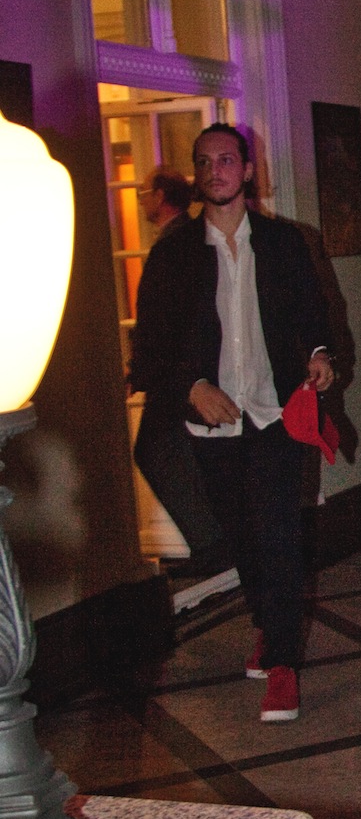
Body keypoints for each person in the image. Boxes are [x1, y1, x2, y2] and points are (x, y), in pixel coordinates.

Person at [130, 124, 334, 722]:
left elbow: (312, 315)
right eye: (204, 162)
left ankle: (282, 665)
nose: (214, 171)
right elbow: (150, 348)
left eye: (225, 160)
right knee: (242, 536)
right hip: (211, 427)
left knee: (280, 534)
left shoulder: (284, 243)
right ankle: (267, 625)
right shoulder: (174, 254)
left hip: (274, 417)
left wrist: (319, 354)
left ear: (247, 170)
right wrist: (192, 388)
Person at [130, 166, 230, 573]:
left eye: (144, 193)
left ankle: (210, 543)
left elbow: (167, 316)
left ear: (160, 196)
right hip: (179, 370)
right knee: (175, 453)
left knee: (156, 450)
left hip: (178, 372)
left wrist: (148, 366)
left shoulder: (178, 243)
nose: (140, 201)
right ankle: (211, 542)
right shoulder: (186, 238)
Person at [140, 167, 192, 234]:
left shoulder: (174, 236)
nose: (141, 202)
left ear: (159, 196)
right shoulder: (189, 228)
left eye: (144, 194)